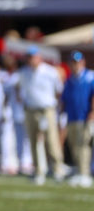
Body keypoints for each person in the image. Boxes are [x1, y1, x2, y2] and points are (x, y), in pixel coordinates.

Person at [18, 47, 65, 185]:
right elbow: (21, 91)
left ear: (39, 57)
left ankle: (57, 169)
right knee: (33, 141)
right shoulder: (24, 72)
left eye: (33, 57)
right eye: (29, 57)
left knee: (51, 140)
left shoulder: (50, 72)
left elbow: (58, 90)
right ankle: (38, 170)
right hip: (31, 109)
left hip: (47, 109)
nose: (31, 60)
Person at [61, 51, 94, 187]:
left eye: (78, 62)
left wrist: (92, 112)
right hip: (72, 116)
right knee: (74, 146)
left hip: (84, 116)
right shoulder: (69, 80)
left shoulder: (90, 77)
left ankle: (85, 173)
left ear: (83, 62)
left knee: (83, 146)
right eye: (73, 62)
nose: (75, 65)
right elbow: (64, 99)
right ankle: (79, 172)